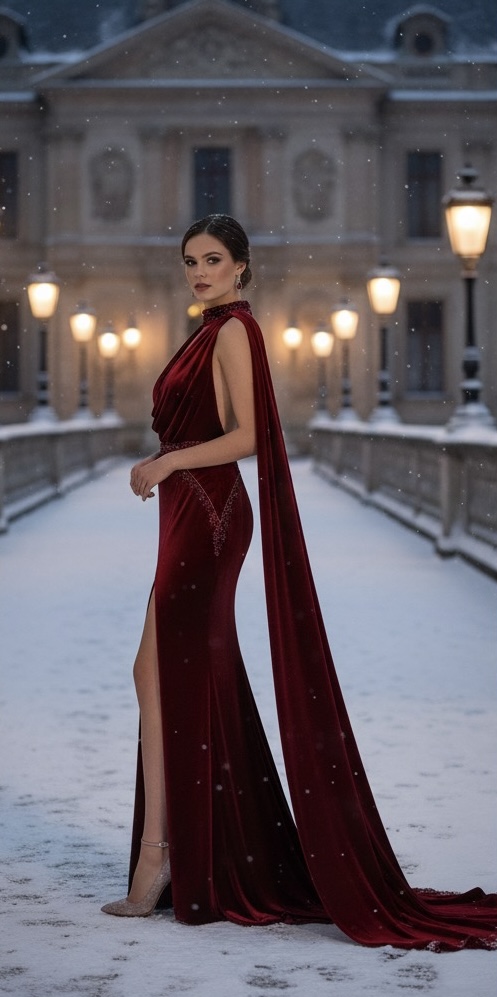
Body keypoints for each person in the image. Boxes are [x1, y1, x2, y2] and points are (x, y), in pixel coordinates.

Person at [101, 214, 497, 950]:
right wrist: (174, 465)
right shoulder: (208, 328)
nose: (199, 271)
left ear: (242, 267)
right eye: (190, 260)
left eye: (213, 260)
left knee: (171, 676)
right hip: (192, 511)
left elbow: (249, 435)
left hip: (210, 514)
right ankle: (176, 848)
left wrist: (166, 462)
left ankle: (163, 858)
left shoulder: (232, 332)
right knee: (159, 675)